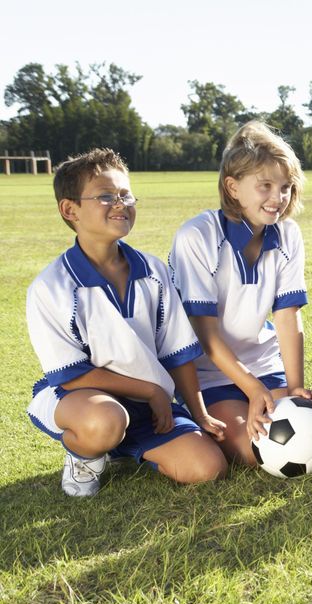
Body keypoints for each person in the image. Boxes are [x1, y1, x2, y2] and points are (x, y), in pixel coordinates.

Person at [26, 149, 227, 496]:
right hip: (81, 398)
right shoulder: (51, 287)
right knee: (105, 421)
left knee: (208, 468)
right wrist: (151, 390)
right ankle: (85, 454)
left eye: (125, 195)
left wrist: (200, 414)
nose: (120, 204)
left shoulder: (154, 272)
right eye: (106, 196)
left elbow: (177, 353)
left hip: (148, 407)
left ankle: (119, 445)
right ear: (70, 210)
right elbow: (71, 375)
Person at [169, 121, 312, 467]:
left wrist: (296, 387)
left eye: (286, 187)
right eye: (265, 186)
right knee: (254, 450)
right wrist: (252, 389)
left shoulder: (287, 234)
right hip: (209, 375)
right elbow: (205, 335)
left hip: (265, 367)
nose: (278, 198)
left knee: (311, 427)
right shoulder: (197, 236)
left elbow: (288, 316)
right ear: (233, 187)